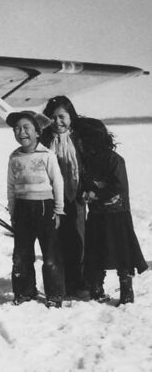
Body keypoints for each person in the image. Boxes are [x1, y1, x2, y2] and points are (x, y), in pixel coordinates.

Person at [78, 117, 147, 305]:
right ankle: (96, 288)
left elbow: (118, 186)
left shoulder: (114, 160)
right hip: (97, 214)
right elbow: (84, 182)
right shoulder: (87, 161)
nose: (80, 143)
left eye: (82, 139)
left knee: (123, 253)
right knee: (95, 251)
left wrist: (95, 193)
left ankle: (127, 291)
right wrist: (85, 192)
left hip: (117, 214)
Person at [6, 110, 65, 308]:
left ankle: (54, 294)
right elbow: (11, 186)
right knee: (21, 255)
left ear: (38, 132)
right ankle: (25, 291)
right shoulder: (14, 157)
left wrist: (58, 210)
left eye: (26, 128)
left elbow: (57, 182)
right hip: (22, 209)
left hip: (44, 208)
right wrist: (13, 211)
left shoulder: (47, 155)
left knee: (50, 255)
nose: (21, 132)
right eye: (16, 129)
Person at [40, 95, 86, 297]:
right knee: (55, 241)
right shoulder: (43, 140)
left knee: (78, 239)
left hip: (75, 196)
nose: (58, 122)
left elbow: (87, 166)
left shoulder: (80, 139)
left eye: (62, 117)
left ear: (71, 117)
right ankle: (60, 284)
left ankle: (79, 282)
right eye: (53, 117)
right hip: (51, 198)